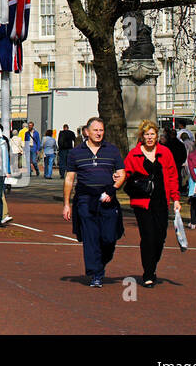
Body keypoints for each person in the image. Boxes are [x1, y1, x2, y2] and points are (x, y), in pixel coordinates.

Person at [63, 117, 126, 287]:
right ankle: (95, 273)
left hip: (107, 199)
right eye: (95, 130)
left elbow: (122, 173)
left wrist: (112, 189)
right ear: (87, 132)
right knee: (91, 237)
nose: (98, 133)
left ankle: (101, 263)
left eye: (101, 130)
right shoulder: (76, 153)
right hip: (85, 199)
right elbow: (69, 179)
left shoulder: (112, 150)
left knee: (108, 238)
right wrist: (67, 204)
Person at [124, 120, 180, 287]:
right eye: (147, 134)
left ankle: (152, 266)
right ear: (142, 136)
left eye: (152, 134)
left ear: (157, 136)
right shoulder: (134, 154)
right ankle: (148, 273)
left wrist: (176, 198)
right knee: (148, 236)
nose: (149, 137)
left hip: (161, 201)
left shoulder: (165, 153)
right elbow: (124, 173)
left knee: (160, 237)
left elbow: (172, 175)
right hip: (142, 202)